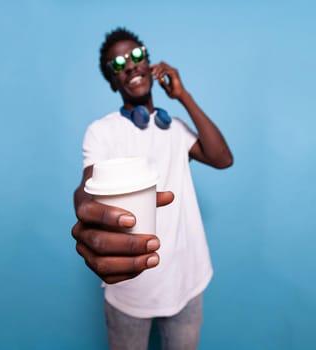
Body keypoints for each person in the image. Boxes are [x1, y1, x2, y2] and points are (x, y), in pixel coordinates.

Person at [72, 27, 233, 350]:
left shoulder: (174, 128)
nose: (129, 66)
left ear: (148, 61)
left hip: (186, 283)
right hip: (129, 293)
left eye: (135, 56)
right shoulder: (101, 132)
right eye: (117, 64)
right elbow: (86, 190)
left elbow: (222, 158)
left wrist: (182, 96)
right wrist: (85, 210)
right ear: (112, 80)